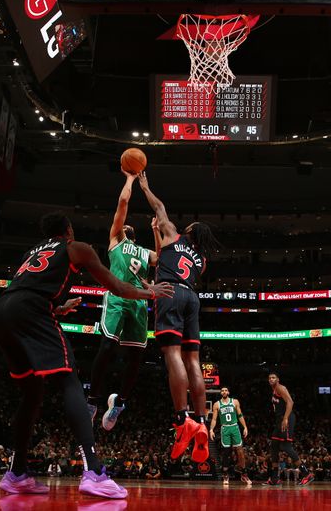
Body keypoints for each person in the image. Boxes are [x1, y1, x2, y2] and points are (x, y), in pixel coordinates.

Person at [0, 212, 173, 499]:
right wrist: (151, 293)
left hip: (1, 312)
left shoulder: (33, 252)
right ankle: (94, 473)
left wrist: (60, 309)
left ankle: (17, 473)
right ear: (68, 230)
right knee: (69, 380)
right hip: (31, 311)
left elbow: (28, 288)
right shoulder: (76, 247)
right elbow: (117, 287)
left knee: (31, 394)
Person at [137, 172, 218, 464]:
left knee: (172, 355)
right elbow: (164, 258)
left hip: (170, 294)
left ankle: (182, 418)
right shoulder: (202, 260)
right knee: (193, 360)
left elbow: (159, 207)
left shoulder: (175, 233)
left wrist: (145, 186)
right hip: (192, 299)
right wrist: (157, 233)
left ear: (191, 230)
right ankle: (201, 420)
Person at [88, 171, 159, 431]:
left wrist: (155, 232)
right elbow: (122, 205)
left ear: (134, 234)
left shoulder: (142, 251)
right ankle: (92, 401)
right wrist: (130, 180)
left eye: (128, 226)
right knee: (107, 347)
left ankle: (119, 402)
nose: (124, 225)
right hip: (117, 297)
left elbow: (159, 258)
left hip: (139, 303)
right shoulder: (115, 240)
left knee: (136, 357)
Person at [266, 372, 314, 486]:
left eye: (273, 377)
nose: (271, 379)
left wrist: (285, 418)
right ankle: (274, 478)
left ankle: (306, 473)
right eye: (269, 378)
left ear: (278, 379)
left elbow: (290, 402)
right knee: (274, 445)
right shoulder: (274, 389)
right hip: (280, 419)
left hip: (286, 419)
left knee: (285, 446)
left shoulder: (280, 388)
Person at [209, 386, 251, 485]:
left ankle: (244, 474)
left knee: (240, 451)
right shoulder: (216, 404)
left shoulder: (235, 402)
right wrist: (211, 429)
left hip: (235, 427)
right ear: (220, 393)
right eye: (222, 391)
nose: (224, 392)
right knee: (226, 452)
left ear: (228, 392)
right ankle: (225, 475)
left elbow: (240, 415)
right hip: (225, 428)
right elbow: (214, 419)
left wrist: (245, 427)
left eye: (225, 390)